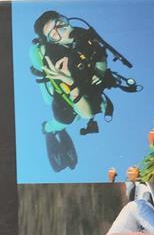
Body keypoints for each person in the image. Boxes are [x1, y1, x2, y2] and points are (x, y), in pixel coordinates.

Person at [30, 11, 139, 171]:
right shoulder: (56, 61)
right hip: (65, 97)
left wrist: (100, 71)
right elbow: (86, 113)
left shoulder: (84, 36)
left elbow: (100, 54)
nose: (62, 31)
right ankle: (47, 128)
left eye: (60, 23)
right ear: (52, 42)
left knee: (91, 109)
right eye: (53, 33)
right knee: (65, 119)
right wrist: (69, 81)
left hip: (84, 88)